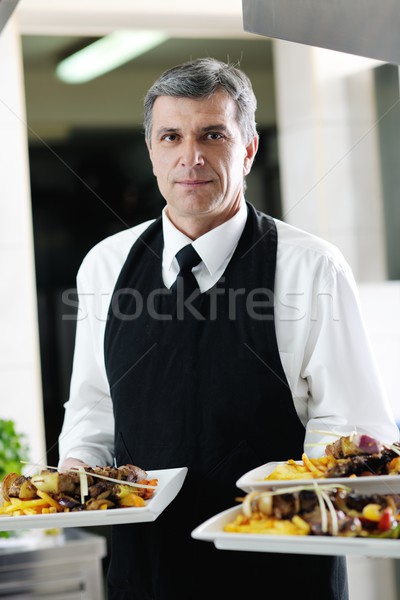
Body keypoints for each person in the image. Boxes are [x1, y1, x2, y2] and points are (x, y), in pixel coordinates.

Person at [58, 57, 399, 600]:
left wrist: (287, 497)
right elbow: (96, 406)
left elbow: (352, 424)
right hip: (145, 575)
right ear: (151, 152)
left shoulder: (311, 267)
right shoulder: (106, 265)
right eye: (171, 136)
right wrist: (77, 470)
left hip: (280, 574)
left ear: (248, 149)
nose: (190, 157)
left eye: (213, 134)